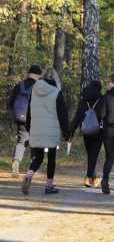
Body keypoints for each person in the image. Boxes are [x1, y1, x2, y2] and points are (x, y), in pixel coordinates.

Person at [22, 67, 70, 195]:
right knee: (51, 158)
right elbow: (63, 115)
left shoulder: (34, 90)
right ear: (55, 79)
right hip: (51, 131)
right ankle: (49, 186)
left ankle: (29, 174)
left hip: (36, 128)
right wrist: (67, 134)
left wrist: (28, 127)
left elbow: (29, 111)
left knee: (38, 157)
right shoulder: (56, 93)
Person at [8, 65, 43, 177]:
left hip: (20, 117)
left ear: (29, 73)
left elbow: (10, 103)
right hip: (34, 118)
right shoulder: (39, 87)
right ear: (38, 75)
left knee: (21, 141)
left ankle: (16, 162)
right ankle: (33, 169)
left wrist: (14, 115)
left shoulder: (19, 85)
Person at [71, 80, 103, 188]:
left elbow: (77, 117)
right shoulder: (102, 100)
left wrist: (70, 132)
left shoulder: (83, 101)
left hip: (86, 131)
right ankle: (89, 177)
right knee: (94, 154)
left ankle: (92, 177)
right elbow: (105, 116)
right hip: (98, 131)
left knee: (91, 154)